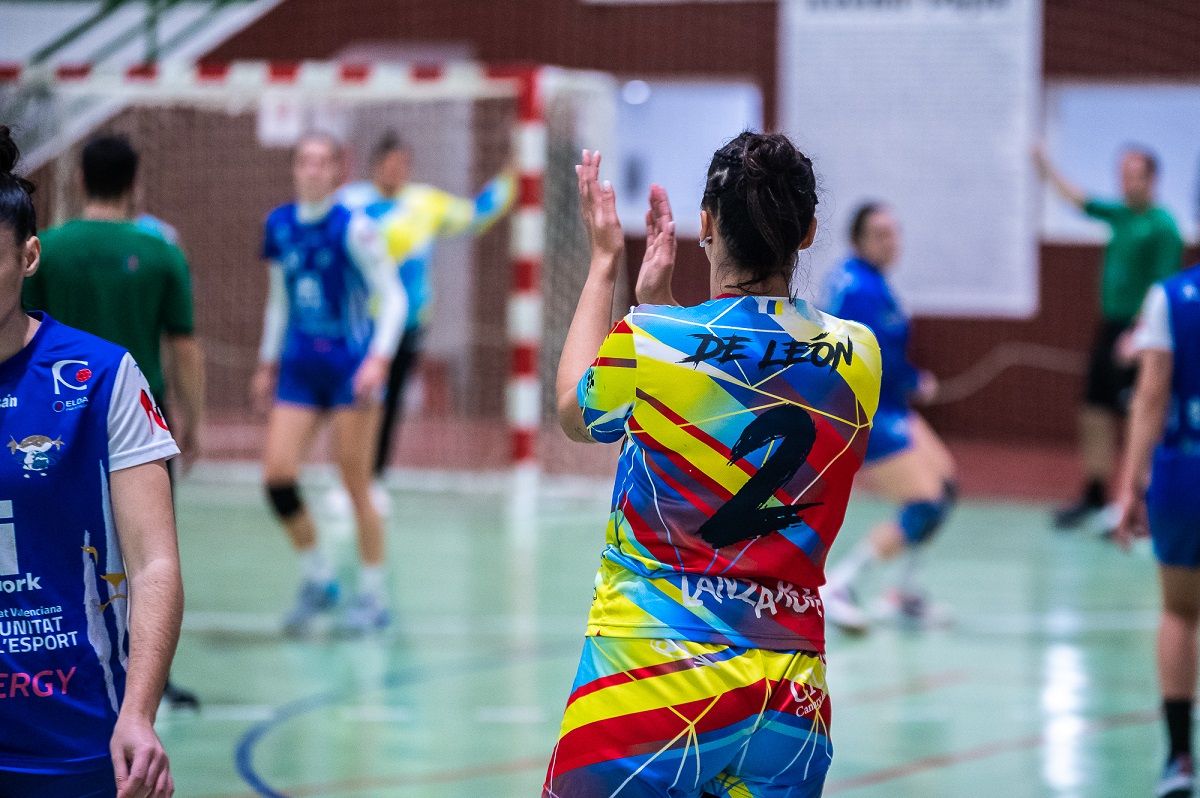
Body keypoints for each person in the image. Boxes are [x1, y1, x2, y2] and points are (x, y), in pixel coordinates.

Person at [543, 135, 882, 796]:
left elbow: (572, 410)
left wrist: (606, 264)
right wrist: (665, 310)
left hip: (648, 686)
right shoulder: (859, 353)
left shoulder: (649, 341)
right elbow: (752, 372)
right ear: (809, 232)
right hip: (789, 704)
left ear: (705, 224)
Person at [0, 126, 180, 797]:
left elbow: (154, 560)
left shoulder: (102, 378)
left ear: (29, 256)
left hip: (74, 742)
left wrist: (138, 714)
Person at [23, 133, 204, 710]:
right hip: (139, 430)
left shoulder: (45, 247)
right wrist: (191, 425)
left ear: (80, 180)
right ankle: (150, 679)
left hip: (52, 423)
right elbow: (184, 346)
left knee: (55, 550)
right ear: (134, 182)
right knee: (147, 556)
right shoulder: (161, 252)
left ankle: (49, 665)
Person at [252, 132, 406, 636]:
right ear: (294, 168)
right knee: (277, 476)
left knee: (355, 483)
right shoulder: (278, 224)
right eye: (304, 161)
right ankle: (318, 576)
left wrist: (379, 361)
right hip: (299, 366)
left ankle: (374, 594)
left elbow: (394, 297)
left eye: (323, 163)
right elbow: (279, 300)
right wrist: (267, 363)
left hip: (350, 369)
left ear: (339, 173)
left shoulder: (356, 229)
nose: (312, 170)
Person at [337, 132, 513, 494]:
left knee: (389, 401)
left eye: (403, 165)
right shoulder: (349, 204)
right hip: (358, 322)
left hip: (409, 321)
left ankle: (374, 480)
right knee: (353, 400)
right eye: (390, 164)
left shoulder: (424, 203)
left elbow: (477, 214)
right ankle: (348, 479)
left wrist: (512, 176)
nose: (397, 171)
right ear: (375, 166)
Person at [818, 203, 957, 633]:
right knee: (925, 503)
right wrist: (913, 379)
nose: (890, 241)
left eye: (894, 233)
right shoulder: (860, 288)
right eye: (880, 234)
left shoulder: (872, 282)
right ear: (858, 239)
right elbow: (865, 356)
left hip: (892, 404)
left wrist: (912, 379)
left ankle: (903, 592)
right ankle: (839, 585)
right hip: (867, 410)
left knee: (946, 487)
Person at [1035, 145, 1183, 530]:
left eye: (1132, 174)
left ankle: (1137, 500)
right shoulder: (1119, 214)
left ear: (1151, 179)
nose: (1124, 181)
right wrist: (1046, 167)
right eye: (1121, 173)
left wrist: (1138, 335)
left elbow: (1160, 289)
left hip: (1142, 334)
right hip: (1109, 326)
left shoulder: (1163, 226)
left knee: (1140, 411)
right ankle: (1096, 493)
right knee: (1094, 408)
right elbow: (1080, 200)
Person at [1116, 262, 1200, 798]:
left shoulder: (1170, 297)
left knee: (1180, 611)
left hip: (1184, 471)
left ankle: (1178, 760)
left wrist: (1130, 485)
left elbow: (1151, 395)